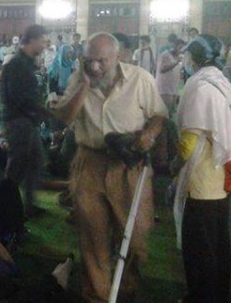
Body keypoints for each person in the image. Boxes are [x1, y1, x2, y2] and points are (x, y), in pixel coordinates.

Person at [55, 32, 168, 302]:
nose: (95, 67)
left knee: (135, 237)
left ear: (118, 57)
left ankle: (125, 290)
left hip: (129, 165)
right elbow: (63, 119)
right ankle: (98, 296)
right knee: (93, 238)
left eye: (102, 61)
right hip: (89, 162)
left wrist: (150, 134)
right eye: (89, 60)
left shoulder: (140, 79)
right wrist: (84, 85)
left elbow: (159, 115)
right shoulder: (79, 78)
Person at [173, 34, 231, 303]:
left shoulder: (200, 86)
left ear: (193, 57)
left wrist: (175, 162)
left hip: (201, 180)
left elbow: (189, 140)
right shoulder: (222, 83)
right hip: (220, 178)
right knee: (219, 243)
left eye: (186, 55)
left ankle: (202, 296)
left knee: (199, 248)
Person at [1, 25, 50, 217]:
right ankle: (5, 207)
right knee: (17, 166)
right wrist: (39, 110)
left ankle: (28, 206)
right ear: (33, 40)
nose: (44, 46)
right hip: (19, 121)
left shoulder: (25, 63)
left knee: (35, 162)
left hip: (27, 120)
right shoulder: (17, 64)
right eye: (43, 41)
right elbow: (15, 97)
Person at [155, 38, 184, 116]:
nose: (181, 50)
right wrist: (176, 62)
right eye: (180, 47)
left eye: (182, 48)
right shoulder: (165, 55)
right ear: (174, 46)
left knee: (171, 111)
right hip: (165, 87)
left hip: (174, 86)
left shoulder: (179, 57)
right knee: (165, 111)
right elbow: (162, 69)